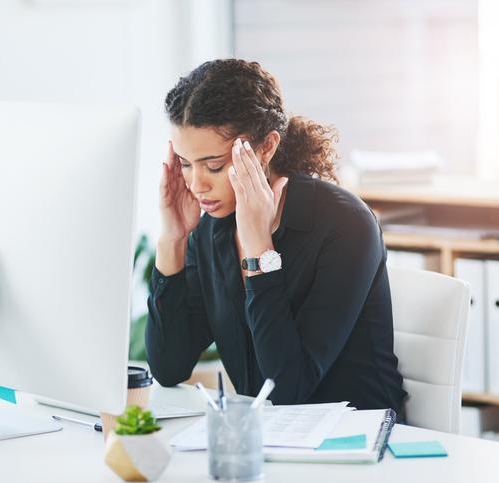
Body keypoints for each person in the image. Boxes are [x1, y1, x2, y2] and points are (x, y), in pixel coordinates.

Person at [145, 59, 407, 416]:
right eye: (186, 164)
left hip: (356, 442)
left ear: (266, 147)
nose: (196, 184)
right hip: (268, 439)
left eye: (215, 166)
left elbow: (286, 390)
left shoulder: (345, 225)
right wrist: (172, 240)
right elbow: (168, 367)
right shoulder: (212, 228)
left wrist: (258, 251)